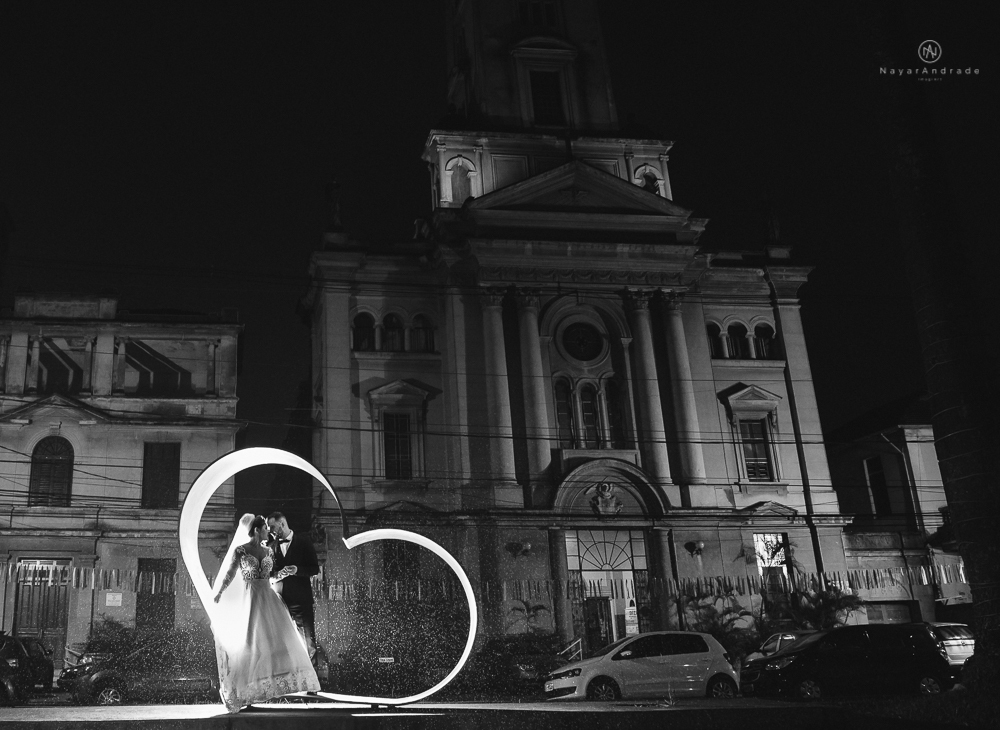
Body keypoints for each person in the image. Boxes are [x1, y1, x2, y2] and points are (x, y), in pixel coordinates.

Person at [212, 514, 319, 712]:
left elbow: (271, 576)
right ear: (256, 530)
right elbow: (230, 573)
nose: (268, 532)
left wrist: (286, 572)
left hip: (268, 598)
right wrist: (219, 593)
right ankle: (244, 691)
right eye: (265, 529)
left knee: (279, 640)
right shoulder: (241, 550)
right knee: (251, 642)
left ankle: (280, 684)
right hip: (250, 598)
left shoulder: (269, 550)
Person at [266, 512, 319, 663]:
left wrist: (297, 570)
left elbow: (314, 569)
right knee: (283, 642)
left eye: (272, 527)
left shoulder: (304, 542)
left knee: (309, 641)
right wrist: (278, 574)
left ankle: (312, 681)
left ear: (282, 524)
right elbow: (269, 574)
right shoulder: (271, 547)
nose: (270, 531)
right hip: (280, 601)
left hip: (301, 600)